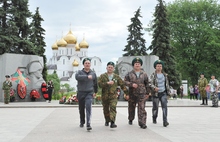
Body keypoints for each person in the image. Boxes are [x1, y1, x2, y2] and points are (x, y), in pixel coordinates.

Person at [98, 61, 128, 128]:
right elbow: (100, 85)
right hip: (105, 96)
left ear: (113, 68)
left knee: (113, 108)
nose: (110, 68)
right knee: (105, 109)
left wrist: (127, 93)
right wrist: (107, 83)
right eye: (109, 67)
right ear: (106, 68)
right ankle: (107, 120)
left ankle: (112, 122)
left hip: (113, 96)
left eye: (111, 67)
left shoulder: (116, 77)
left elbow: (122, 85)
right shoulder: (102, 76)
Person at [124, 57, 150, 129]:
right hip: (132, 93)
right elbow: (125, 82)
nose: (137, 65)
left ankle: (142, 123)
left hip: (142, 93)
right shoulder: (129, 74)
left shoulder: (144, 74)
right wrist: (131, 84)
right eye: (136, 64)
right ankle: (131, 118)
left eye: (138, 64)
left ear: (140, 65)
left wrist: (148, 93)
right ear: (133, 65)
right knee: (131, 107)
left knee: (142, 108)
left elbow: (147, 83)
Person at [75, 58, 98, 131]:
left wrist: (95, 92)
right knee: (81, 108)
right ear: (83, 64)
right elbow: (77, 77)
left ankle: (88, 123)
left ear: (90, 64)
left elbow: (95, 83)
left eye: (88, 63)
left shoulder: (93, 73)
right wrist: (86, 77)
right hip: (81, 92)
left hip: (89, 92)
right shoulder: (79, 72)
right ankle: (82, 121)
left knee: (88, 106)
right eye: (86, 63)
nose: (87, 64)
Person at [149, 60, 170, 127]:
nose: (159, 67)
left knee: (164, 107)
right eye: (158, 66)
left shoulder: (165, 75)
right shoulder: (153, 75)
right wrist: (154, 88)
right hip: (156, 94)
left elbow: (167, 84)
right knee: (155, 107)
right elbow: (150, 83)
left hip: (163, 93)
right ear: (155, 67)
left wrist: (168, 93)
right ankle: (154, 117)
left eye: (160, 66)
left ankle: (165, 121)